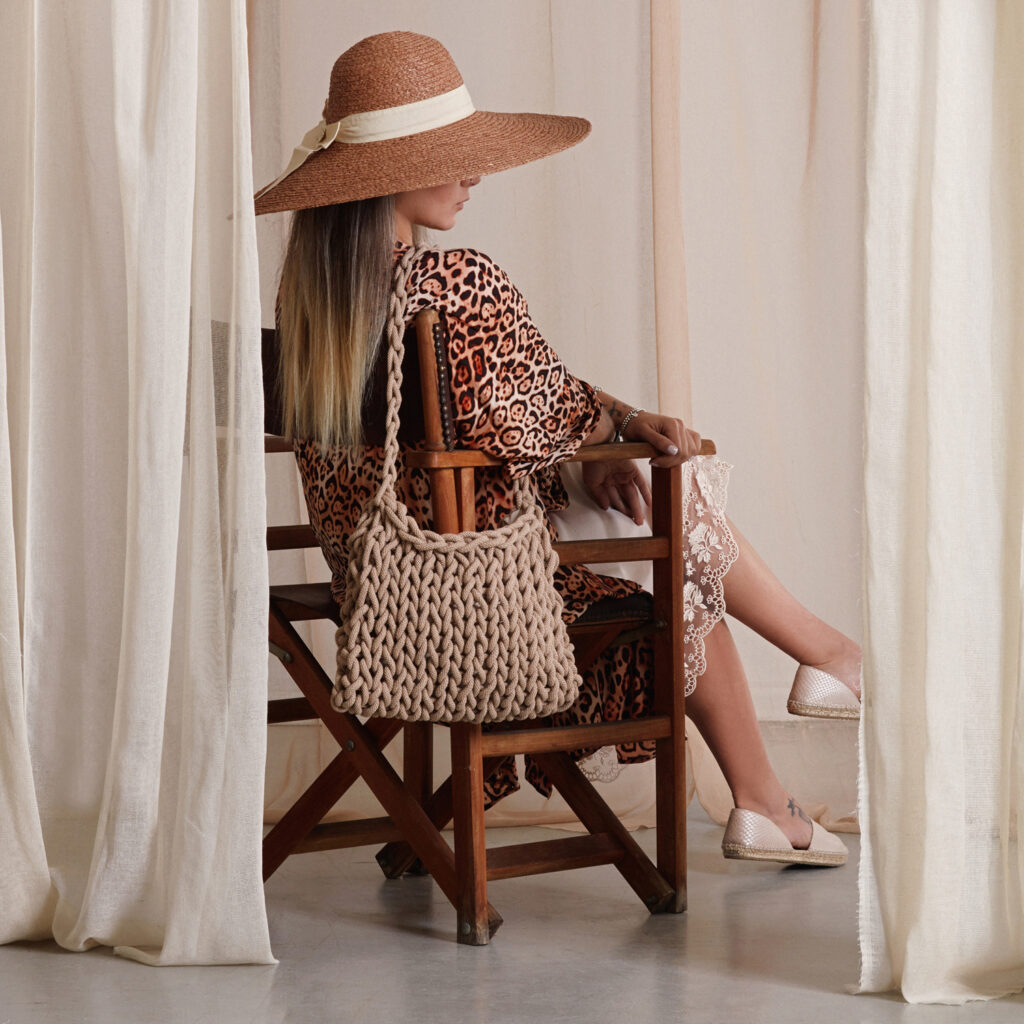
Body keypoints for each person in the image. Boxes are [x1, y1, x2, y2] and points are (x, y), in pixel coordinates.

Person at [255, 31, 861, 866]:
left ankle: (788, 746)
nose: (475, 174)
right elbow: (546, 408)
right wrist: (618, 430)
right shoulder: (452, 281)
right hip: (479, 584)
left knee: (664, 534)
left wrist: (601, 433)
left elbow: (525, 411)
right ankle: (810, 697)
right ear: (390, 170)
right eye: (453, 156)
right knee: (674, 536)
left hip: (374, 577)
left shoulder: (311, 305)